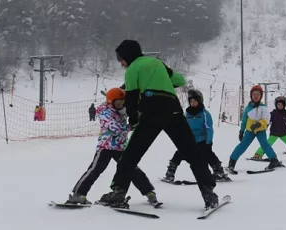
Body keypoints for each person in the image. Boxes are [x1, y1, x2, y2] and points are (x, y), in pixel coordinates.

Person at [103, 40, 220, 209]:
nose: (121, 63)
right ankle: (208, 192)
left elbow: (132, 99)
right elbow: (179, 80)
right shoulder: (157, 63)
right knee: (193, 153)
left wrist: (133, 120)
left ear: (128, 56)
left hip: (151, 113)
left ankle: (118, 192)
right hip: (173, 110)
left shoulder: (132, 69)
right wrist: (161, 80)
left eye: (120, 59)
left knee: (130, 156)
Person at [66, 88, 158, 206]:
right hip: (106, 146)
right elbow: (115, 128)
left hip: (121, 147)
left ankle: (149, 192)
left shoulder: (122, 110)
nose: (121, 104)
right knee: (95, 170)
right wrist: (131, 126)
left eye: (122, 101)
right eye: (117, 101)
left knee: (132, 169)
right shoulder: (104, 111)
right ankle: (78, 195)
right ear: (111, 101)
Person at [164, 88, 229, 183]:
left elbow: (209, 128)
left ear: (199, 101)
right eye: (191, 101)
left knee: (209, 155)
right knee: (179, 154)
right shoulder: (187, 114)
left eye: (195, 101)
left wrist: (209, 142)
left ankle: (219, 172)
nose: (193, 103)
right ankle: (170, 173)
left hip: (202, 140)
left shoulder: (205, 114)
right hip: (189, 140)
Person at [227, 85, 281, 174]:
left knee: (265, 145)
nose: (255, 96)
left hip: (260, 130)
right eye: (254, 94)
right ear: (251, 96)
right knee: (242, 145)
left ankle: (274, 160)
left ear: (260, 96)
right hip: (250, 131)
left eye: (258, 95)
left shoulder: (263, 107)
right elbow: (244, 120)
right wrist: (241, 131)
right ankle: (232, 162)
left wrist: (259, 123)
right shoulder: (248, 108)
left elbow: (267, 118)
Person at [253, 96, 286, 161]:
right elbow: (267, 122)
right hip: (274, 133)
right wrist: (262, 128)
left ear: (284, 105)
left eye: (282, 104)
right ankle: (258, 155)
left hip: (284, 133)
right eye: (278, 104)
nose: (280, 106)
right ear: (276, 105)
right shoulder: (272, 114)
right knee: (267, 144)